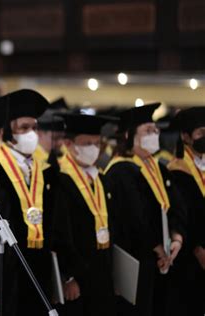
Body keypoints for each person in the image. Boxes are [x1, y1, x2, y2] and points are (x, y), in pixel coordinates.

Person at [0, 89, 56, 316]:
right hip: (4, 273)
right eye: (24, 128)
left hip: (39, 270)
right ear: (3, 131)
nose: (32, 134)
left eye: (34, 127)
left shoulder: (44, 172)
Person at [104, 103, 186, 316]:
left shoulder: (157, 166)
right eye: (148, 130)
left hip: (164, 257)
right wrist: (157, 247)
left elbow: (177, 205)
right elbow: (134, 218)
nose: (155, 134)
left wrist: (177, 238)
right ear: (130, 136)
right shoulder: (120, 170)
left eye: (156, 130)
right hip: (138, 260)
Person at [51, 113, 117, 316]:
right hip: (76, 273)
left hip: (102, 266)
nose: (94, 149)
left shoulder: (101, 178)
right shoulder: (57, 178)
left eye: (97, 143)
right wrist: (68, 276)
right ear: (68, 144)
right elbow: (58, 232)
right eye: (87, 143)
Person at [167, 107, 205, 316]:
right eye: (200, 132)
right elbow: (184, 215)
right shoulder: (177, 170)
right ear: (185, 136)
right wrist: (198, 249)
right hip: (192, 253)